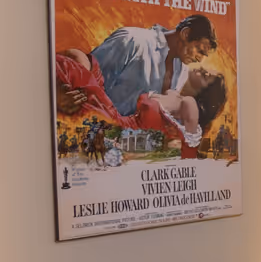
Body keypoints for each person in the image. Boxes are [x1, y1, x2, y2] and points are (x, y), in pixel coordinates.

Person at [55, 50, 226, 159]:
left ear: (205, 94)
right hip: (117, 118)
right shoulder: (174, 89)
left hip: (115, 130)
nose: (202, 70)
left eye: (205, 77)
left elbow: (186, 150)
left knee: (69, 67)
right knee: (78, 58)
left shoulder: (189, 105)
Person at [56, 15, 217, 118]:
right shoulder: (132, 41)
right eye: (200, 50)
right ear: (186, 34)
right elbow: (83, 78)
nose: (200, 59)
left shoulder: (182, 70)